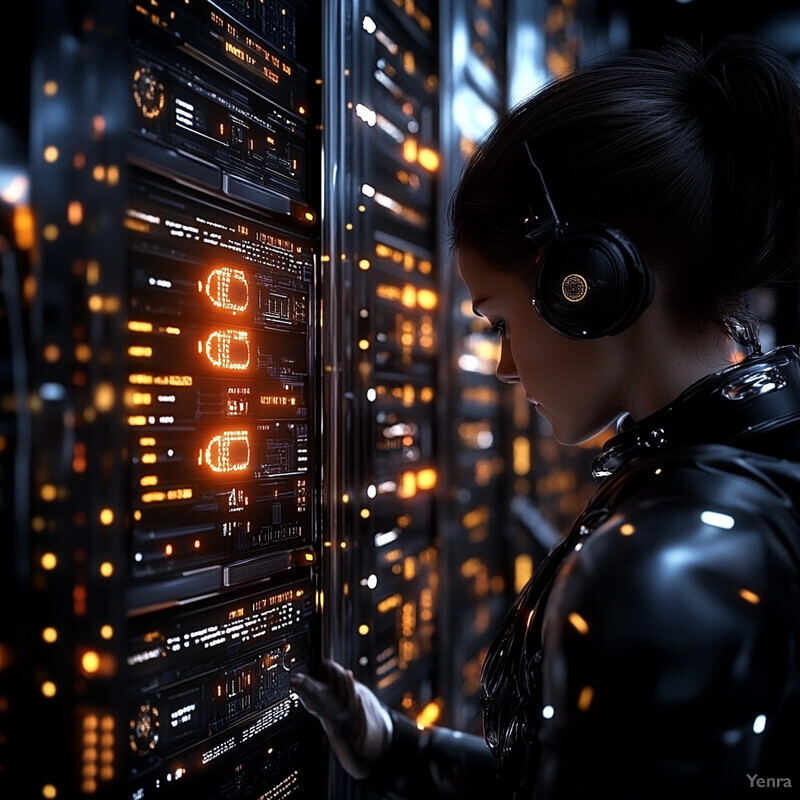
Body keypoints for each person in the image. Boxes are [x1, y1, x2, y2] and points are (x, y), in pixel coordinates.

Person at [291, 34, 800, 798]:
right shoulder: (745, 474)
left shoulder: (663, 570)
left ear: (586, 282)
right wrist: (401, 748)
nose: (502, 365)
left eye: (498, 322)